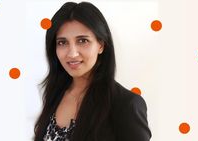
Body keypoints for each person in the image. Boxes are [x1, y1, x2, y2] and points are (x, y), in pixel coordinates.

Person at [34, 1, 151, 141]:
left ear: (101, 45)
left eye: (82, 41)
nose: (72, 53)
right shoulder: (55, 93)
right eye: (62, 42)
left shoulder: (125, 104)